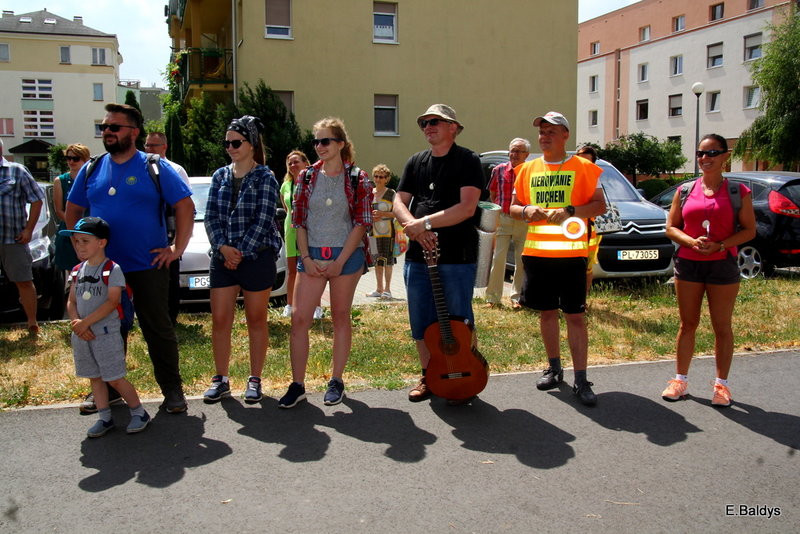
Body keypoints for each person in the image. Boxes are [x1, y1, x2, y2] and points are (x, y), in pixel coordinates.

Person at [65, 103, 194, 415]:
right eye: (104, 128)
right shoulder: (92, 168)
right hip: (104, 269)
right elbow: (72, 212)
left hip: (148, 264)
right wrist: (82, 251)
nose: (107, 132)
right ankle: (108, 392)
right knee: (107, 330)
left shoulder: (153, 166)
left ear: (134, 132)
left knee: (157, 328)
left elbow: (185, 206)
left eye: (114, 127)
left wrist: (176, 249)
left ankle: (172, 390)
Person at [509, 112, 606, 406]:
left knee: (575, 317)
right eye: (542, 131)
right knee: (547, 313)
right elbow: (513, 207)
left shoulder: (583, 167)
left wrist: (571, 211)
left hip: (572, 256)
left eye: (552, 131)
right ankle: (554, 368)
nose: (545, 136)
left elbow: (600, 206)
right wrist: (526, 212)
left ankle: (581, 378)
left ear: (566, 135)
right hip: (538, 255)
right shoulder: (527, 169)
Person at [278, 117, 373, 408]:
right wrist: (306, 257)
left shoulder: (358, 178)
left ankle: (337, 381)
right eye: (316, 141)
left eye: (325, 141)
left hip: (346, 257)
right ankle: (298, 384)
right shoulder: (306, 177)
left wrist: (339, 261)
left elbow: (362, 223)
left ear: (341, 144)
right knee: (299, 318)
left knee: (340, 317)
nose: (319, 146)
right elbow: (299, 221)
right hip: (312, 256)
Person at [393, 104, 483, 404]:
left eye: (434, 122)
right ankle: (429, 375)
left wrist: (425, 222)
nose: (427, 127)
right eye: (423, 123)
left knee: (458, 321)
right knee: (420, 321)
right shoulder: (415, 162)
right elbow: (398, 200)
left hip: (457, 257)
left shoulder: (468, 160)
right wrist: (413, 227)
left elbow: (467, 208)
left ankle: (466, 374)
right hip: (419, 258)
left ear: (452, 128)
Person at [661, 134, 756, 407]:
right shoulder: (686, 190)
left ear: (725, 157)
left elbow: (750, 230)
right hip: (688, 264)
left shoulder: (739, 192)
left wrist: (721, 245)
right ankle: (679, 381)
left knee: (722, 326)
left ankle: (721, 386)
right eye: (701, 153)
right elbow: (671, 227)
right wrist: (691, 241)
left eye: (712, 153)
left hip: (722, 265)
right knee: (687, 324)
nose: (705, 158)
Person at [201, 116, 282, 405]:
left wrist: (240, 252)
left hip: (256, 258)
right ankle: (220, 379)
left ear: (251, 145)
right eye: (227, 143)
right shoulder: (220, 176)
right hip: (223, 258)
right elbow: (210, 216)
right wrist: (223, 248)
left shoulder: (266, 177)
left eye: (236, 142)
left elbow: (263, 219)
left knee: (256, 320)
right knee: (220, 320)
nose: (230, 148)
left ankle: (254, 379)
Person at [61, 217, 150, 437]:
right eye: (76, 242)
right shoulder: (76, 270)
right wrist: (76, 323)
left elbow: (112, 302)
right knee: (95, 377)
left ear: (101, 243)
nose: (79, 246)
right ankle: (104, 417)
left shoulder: (112, 269)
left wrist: (85, 323)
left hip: (105, 334)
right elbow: (71, 300)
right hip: (83, 335)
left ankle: (139, 412)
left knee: (114, 377)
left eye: (85, 241)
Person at [144, 131, 190, 326]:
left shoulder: (175, 170)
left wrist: (177, 241)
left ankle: (170, 318)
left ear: (164, 147)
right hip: (146, 233)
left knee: (170, 280)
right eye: (147, 145)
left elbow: (185, 206)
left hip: (168, 235)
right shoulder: (140, 168)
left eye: (154, 145)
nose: (149, 149)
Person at [0, 138, 45, 335]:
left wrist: (28, 230)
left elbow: (37, 199)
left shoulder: (16, 170)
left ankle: (32, 323)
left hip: (13, 239)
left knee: (24, 281)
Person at [485, 138, 530, 309]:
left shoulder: (530, 171)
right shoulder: (499, 170)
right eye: (512, 150)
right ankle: (493, 298)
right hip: (503, 218)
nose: (514, 154)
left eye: (519, 151)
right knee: (498, 258)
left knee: (522, 260)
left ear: (526, 154)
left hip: (523, 220)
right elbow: (493, 192)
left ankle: (516, 297)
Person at [280, 150, 323, 320]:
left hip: (311, 231)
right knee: (292, 271)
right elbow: (287, 209)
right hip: (291, 231)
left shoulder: (314, 182)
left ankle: (317, 307)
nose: (292, 166)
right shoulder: (285, 186)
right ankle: (290, 305)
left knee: (313, 270)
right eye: (290, 163)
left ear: (306, 163)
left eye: (296, 162)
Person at [53, 144, 90, 273]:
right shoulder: (60, 181)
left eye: (76, 158)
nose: (71, 161)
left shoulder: (92, 179)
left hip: (90, 232)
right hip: (69, 233)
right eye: (68, 158)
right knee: (73, 274)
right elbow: (59, 210)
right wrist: (75, 228)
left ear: (86, 159)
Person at [365, 164, 397, 300]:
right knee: (377, 260)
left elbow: (397, 213)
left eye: (381, 177)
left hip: (388, 232)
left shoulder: (391, 193)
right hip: (373, 232)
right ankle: (379, 288)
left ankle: (387, 290)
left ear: (387, 179)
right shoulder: (369, 193)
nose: (378, 179)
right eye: (376, 176)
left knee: (388, 261)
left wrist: (383, 213)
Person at [575, 145, 601, 293]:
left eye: (586, 162)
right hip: (571, 228)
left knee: (587, 267)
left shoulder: (595, 180)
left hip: (590, 230)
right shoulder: (570, 176)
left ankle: (582, 300)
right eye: (579, 160)